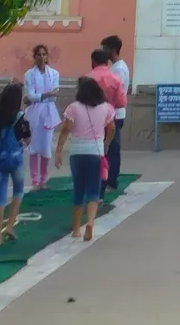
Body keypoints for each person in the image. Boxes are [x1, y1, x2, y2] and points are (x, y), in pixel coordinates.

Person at [53, 75, 115, 242]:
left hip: (77, 152)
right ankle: (89, 223)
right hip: (96, 152)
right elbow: (112, 128)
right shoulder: (106, 108)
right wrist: (106, 143)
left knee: (78, 189)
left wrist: (59, 151)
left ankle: (75, 229)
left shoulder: (73, 108)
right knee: (94, 190)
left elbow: (66, 129)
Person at [0, 82, 30, 246]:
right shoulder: (20, 116)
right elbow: (27, 138)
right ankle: (10, 226)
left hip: (0, 159)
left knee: (0, 199)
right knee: (18, 192)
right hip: (16, 159)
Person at [22, 43, 61, 190]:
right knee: (33, 146)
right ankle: (35, 179)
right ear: (34, 57)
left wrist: (43, 96)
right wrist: (46, 94)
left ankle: (44, 179)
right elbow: (31, 95)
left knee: (45, 146)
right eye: (39, 54)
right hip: (34, 112)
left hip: (48, 112)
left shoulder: (54, 74)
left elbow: (54, 96)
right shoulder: (29, 74)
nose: (42, 57)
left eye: (44, 54)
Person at [88, 47, 126, 194]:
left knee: (93, 149)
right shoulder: (115, 78)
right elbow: (122, 102)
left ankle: (93, 182)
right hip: (110, 117)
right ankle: (109, 181)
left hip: (91, 118)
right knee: (111, 149)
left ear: (93, 61)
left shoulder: (88, 79)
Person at [100, 34, 130, 195]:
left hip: (115, 113)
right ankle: (109, 179)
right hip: (114, 112)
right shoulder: (117, 66)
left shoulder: (118, 68)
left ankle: (111, 180)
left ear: (112, 50)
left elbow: (114, 91)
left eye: (105, 49)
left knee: (112, 147)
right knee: (111, 146)